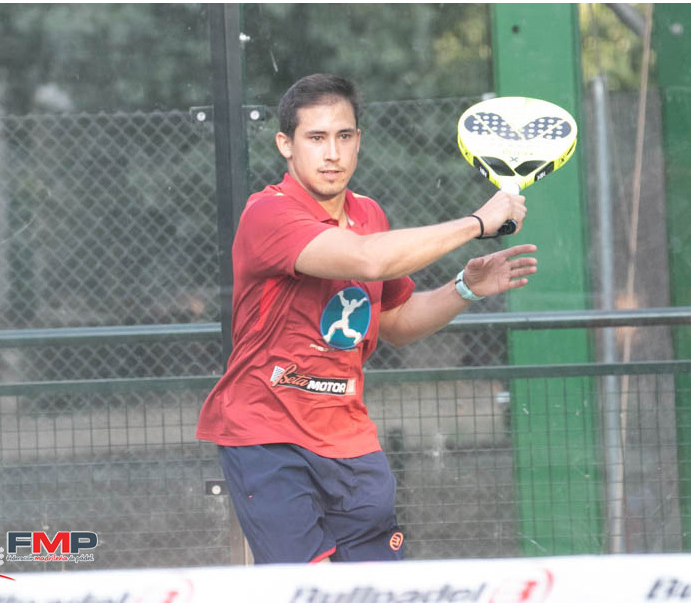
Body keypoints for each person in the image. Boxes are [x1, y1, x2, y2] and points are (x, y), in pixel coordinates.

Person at [196, 73, 538, 565]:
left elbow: (396, 320)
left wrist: (464, 288)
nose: (332, 153)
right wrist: (477, 223)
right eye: (316, 138)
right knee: (306, 592)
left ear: (359, 140)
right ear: (285, 145)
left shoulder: (369, 215)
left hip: (349, 438)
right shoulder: (267, 213)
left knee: (376, 588)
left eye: (344, 136)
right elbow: (368, 260)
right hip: (266, 436)